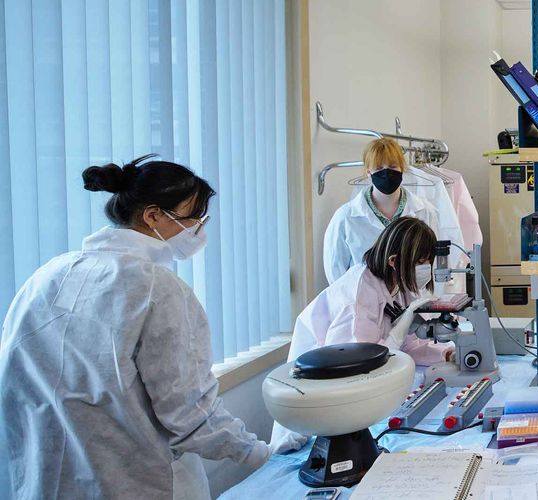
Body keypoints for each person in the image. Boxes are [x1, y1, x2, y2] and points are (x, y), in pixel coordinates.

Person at [0, 155, 268, 499]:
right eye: (193, 218)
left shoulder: (49, 275)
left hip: (46, 476)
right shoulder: (157, 289)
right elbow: (188, 412)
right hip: (137, 481)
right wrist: (261, 454)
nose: (198, 230)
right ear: (153, 215)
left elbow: (15, 382)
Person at [270, 216, 455, 454]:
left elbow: (408, 347)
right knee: (311, 449)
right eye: (420, 262)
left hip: (352, 397)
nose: (424, 269)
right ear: (393, 261)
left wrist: (446, 353)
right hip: (316, 397)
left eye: (427, 262)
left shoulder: (397, 284)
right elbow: (357, 360)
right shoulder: (358, 292)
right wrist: (401, 327)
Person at [323, 137, 453, 285]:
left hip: (414, 302)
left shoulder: (425, 212)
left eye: (392, 166)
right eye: (378, 168)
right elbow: (336, 274)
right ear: (368, 172)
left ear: (402, 168)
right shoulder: (345, 217)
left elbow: (434, 264)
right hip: (363, 303)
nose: (386, 173)